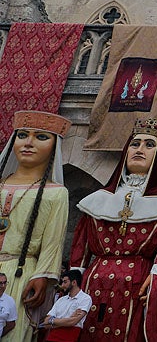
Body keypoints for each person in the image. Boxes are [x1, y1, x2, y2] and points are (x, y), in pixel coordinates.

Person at [70, 118, 157, 342]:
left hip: (136, 283)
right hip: (93, 282)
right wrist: (74, 278)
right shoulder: (97, 200)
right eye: (135, 144)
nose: (139, 150)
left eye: (149, 145)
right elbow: (80, 247)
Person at [0, 110, 70, 342]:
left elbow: (53, 242)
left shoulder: (57, 193)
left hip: (21, 275)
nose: (28, 143)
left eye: (41, 137)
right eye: (22, 135)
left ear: (54, 146)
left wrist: (42, 276)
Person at [38, 270, 92, 342]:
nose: (62, 285)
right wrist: (67, 320)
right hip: (51, 338)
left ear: (74, 282)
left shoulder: (85, 298)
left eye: (65, 282)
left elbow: (73, 322)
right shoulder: (61, 300)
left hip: (69, 338)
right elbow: (46, 323)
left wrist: (52, 321)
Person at [0, 273, 16, 338]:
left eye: (5, 283)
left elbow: (11, 324)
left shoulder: (10, 300)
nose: (3, 286)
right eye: (0, 283)